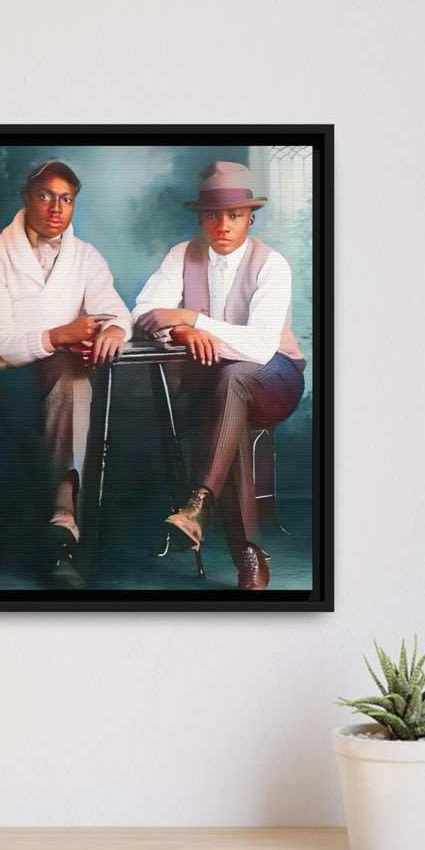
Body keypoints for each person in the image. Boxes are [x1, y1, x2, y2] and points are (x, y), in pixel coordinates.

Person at [131, 160, 305, 591]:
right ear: (200, 216)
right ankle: (248, 554)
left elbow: (260, 347)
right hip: (216, 384)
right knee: (230, 405)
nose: (222, 224)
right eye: (212, 214)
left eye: (234, 214)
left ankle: (199, 503)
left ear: (250, 215)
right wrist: (183, 330)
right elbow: (142, 314)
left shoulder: (272, 264)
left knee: (237, 380)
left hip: (276, 378)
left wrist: (193, 316)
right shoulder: (182, 255)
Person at [0, 159, 132, 586]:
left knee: (77, 373)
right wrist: (61, 333)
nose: (56, 207)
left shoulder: (86, 256)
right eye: (45, 195)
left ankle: (63, 519)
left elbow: (114, 307)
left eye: (66, 198)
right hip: (9, 380)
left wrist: (115, 327)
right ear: (27, 198)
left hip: (63, 374)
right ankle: (62, 520)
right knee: (71, 368)